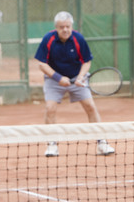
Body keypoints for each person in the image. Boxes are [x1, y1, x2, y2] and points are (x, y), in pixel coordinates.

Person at [34, 11, 115, 157]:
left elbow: (87, 61)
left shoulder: (78, 39)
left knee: (90, 106)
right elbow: (41, 64)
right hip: (54, 79)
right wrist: (59, 78)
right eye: (61, 27)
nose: (65, 30)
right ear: (56, 28)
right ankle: (52, 145)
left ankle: (102, 143)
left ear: (71, 26)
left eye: (68, 26)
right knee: (50, 107)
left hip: (77, 78)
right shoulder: (48, 39)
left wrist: (80, 77)